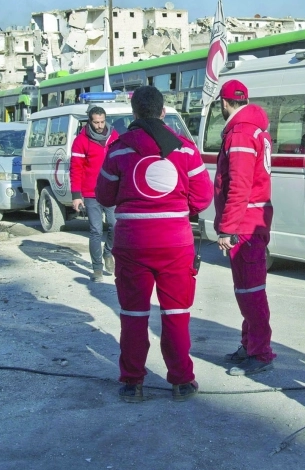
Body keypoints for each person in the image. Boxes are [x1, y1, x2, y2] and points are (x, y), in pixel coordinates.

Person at [94, 86, 213, 403]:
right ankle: (182, 382)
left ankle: (132, 383)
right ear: (163, 111)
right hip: (175, 244)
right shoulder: (185, 149)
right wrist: (178, 209)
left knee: (133, 315)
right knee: (176, 314)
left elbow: (104, 195)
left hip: (132, 243)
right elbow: (203, 197)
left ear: (133, 113)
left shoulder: (118, 149)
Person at [213, 80, 276, 377]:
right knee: (247, 289)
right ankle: (250, 344)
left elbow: (239, 186)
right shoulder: (253, 129)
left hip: (245, 223)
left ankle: (260, 352)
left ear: (224, 103)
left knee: (250, 291)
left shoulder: (239, 133)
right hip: (251, 219)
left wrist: (226, 228)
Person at [70, 106, 119, 282]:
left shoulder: (114, 136)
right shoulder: (80, 141)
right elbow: (75, 169)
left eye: (102, 122)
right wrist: (76, 195)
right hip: (91, 193)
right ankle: (97, 269)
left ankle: (108, 253)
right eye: (96, 122)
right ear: (90, 121)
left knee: (116, 225)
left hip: (111, 190)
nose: (99, 126)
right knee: (96, 230)